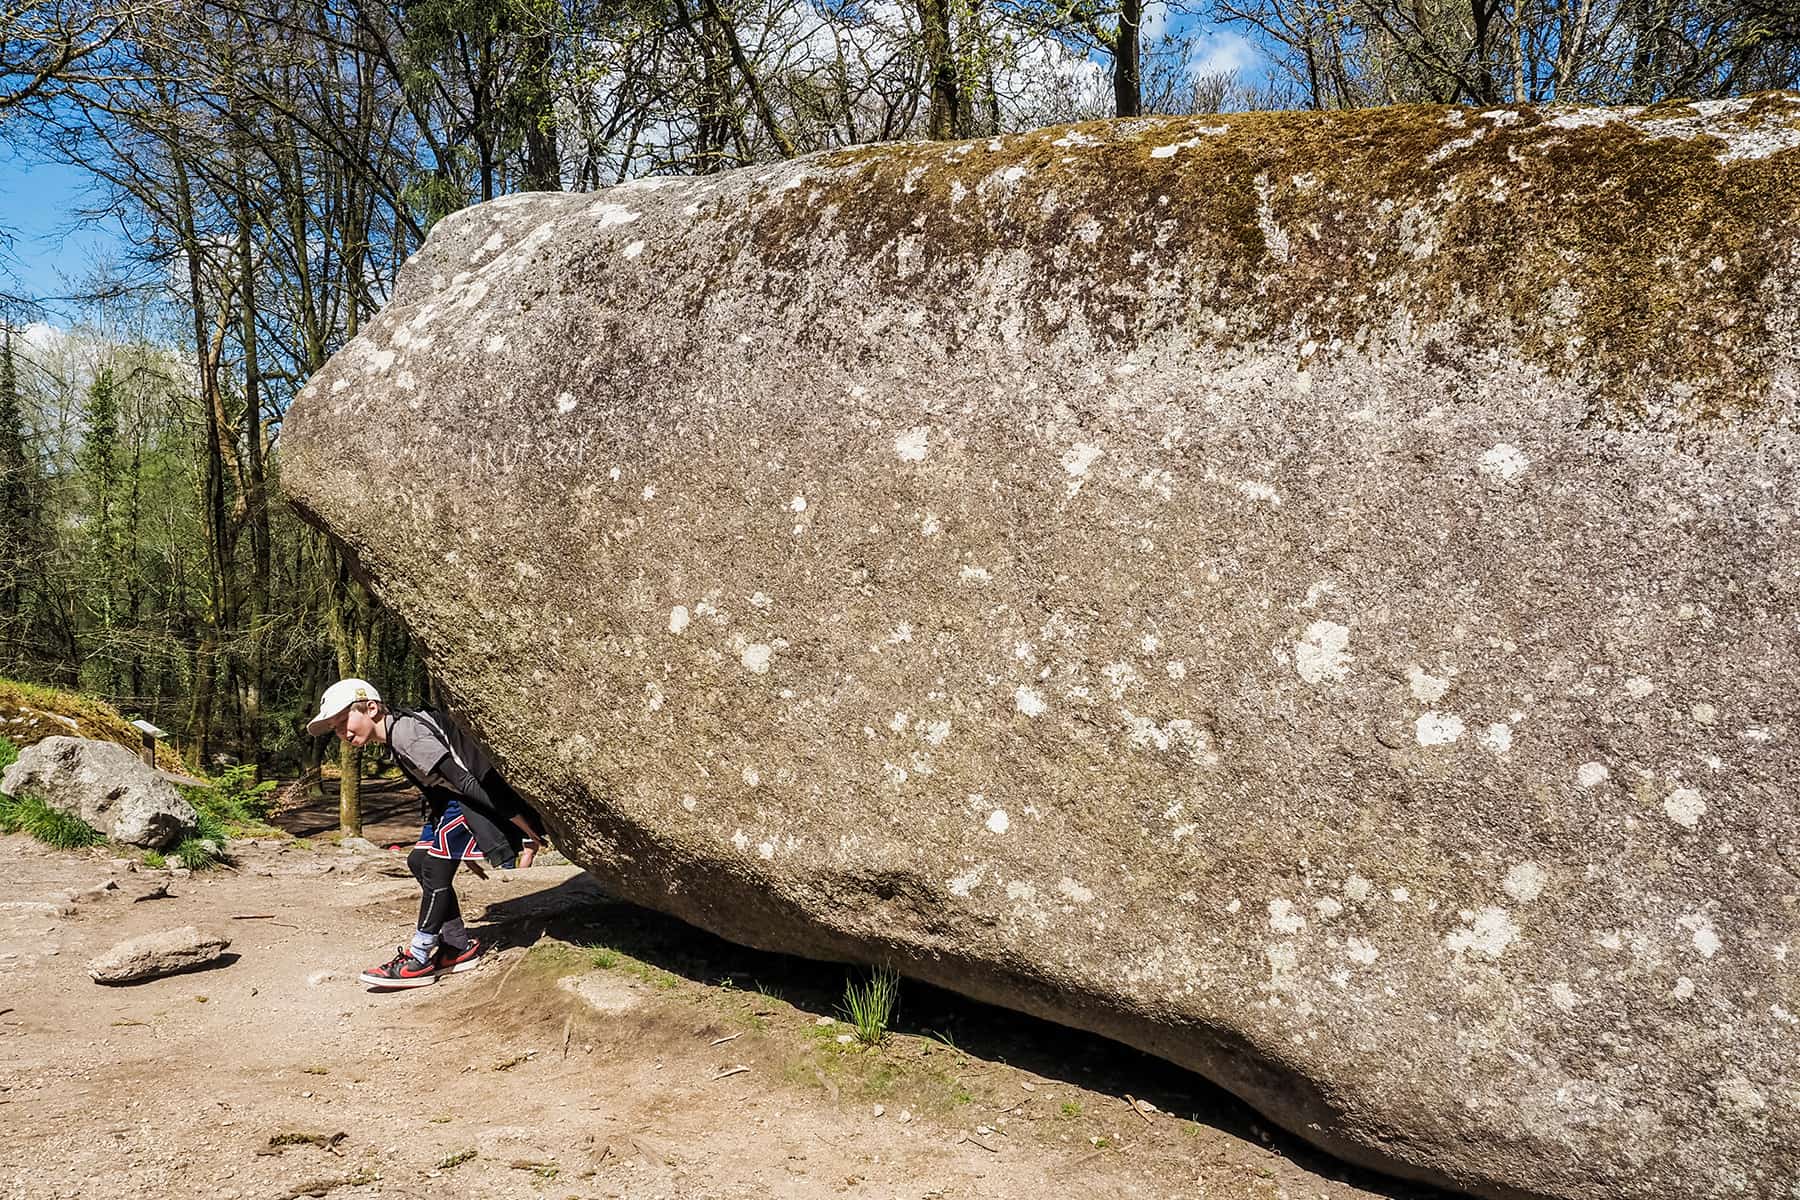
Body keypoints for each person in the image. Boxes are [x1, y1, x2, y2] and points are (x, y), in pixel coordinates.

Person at [306, 677, 548, 988]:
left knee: (434, 868)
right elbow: (436, 791)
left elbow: (465, 781)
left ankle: (419, 958)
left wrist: (518, 821)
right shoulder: (394, 736)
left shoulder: (408, 734)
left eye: (344, 721)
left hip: (480, 799)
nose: (342, 732)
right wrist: (456, 848)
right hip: (454, 803)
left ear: (371, 708)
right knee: (418, 861)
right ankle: (458, 946)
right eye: (336, 728)